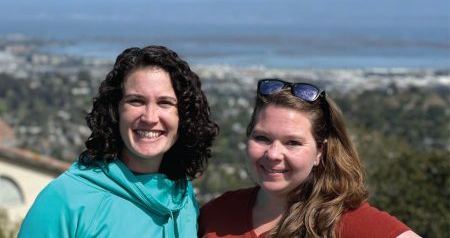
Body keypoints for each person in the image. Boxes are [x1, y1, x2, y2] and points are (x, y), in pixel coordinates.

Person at [19, 45, 219, 238]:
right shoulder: (66, 199)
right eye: (136, 101)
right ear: (115, 112)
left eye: (164, 103)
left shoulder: (182, 196)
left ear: (183, 116)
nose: (150, 117)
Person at [199, 78, 420, 238]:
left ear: (319, 153)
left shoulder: (342, 221)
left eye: (292, 143)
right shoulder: (217, 213)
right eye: (262, 138)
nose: (274, 154)